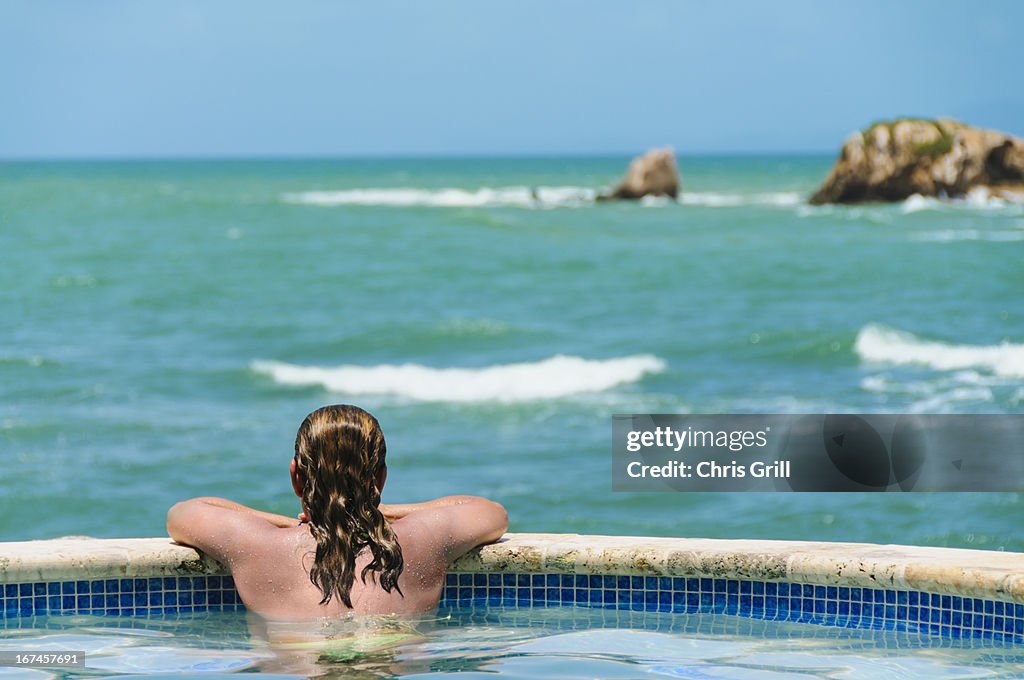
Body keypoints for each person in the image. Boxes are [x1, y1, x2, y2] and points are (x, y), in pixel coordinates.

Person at [167, 404, 507, 619]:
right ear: (382, 476)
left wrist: (284, 522)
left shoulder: (260, 545)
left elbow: (184, 514)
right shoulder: (422, 538)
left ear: (295, 476)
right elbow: (491, 513)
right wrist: (384, 511)